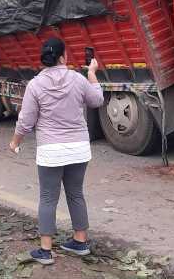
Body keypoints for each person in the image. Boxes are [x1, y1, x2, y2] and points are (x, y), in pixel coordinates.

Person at [8, 37, 104, 265]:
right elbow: (97, 100)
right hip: (78, 149)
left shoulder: (35, 85)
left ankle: (45, 250)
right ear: (63, 57)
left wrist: (15, 142)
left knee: (48, 197)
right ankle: (80, 242)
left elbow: (26, 121)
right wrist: (92, 73)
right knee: (76, 193)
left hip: (51, 151)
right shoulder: (78, 79)